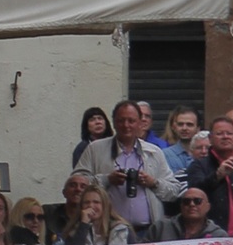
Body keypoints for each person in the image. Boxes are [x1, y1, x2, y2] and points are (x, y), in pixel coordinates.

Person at [79, 100, 184, 238]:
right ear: (114, 122)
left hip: (147, 233)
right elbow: (78, 186)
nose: (126, 125)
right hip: (107, 232)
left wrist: (153, 183)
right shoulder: (95, 149)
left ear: (140, 123)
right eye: (121, 120)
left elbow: (174, 191)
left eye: (131, 121)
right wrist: (107, 179)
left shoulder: (154, 152)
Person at [161, 107, 201, 173]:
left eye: (189, 125)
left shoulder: (204, 153)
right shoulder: (165, 155)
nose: (184, 128)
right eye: (180, 124)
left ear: (198, 129)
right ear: (175, 127)